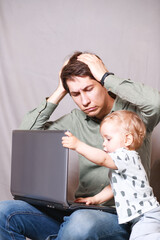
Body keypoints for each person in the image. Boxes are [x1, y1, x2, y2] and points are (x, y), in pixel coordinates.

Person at [0, 51, 160, 240]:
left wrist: (106, 76)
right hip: (80, 209)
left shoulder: (134, 116)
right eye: (75, 94)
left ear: (102, 83)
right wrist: (60, 90)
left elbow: (155, 103)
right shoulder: (75, 120)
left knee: (80, 224)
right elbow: (27, 134)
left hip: (120, 217)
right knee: (4, 212)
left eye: (89, 89)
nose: (84, 101)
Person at [62, 110, 160, 240]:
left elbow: (102, 159)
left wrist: (78, 145)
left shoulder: (126, 156)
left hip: (146, 215)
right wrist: (95, 199)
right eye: (103, 139)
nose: (104, 143)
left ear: (127, 139)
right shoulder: (122, 164)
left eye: (108, 139)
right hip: (136, 217)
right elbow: (113, 188)